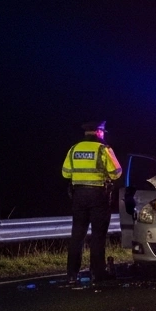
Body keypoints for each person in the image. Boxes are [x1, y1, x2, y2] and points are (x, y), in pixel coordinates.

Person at [62, 121, 123, 286]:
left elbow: (65, 173)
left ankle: (71, 275)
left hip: (79, 195)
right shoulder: (103, 149)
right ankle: (98, 273)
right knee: (98, 236)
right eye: (103, 131)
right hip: (98, 195)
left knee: (77, 235)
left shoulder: (74, 149)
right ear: (98, 131)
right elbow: (116, 173)